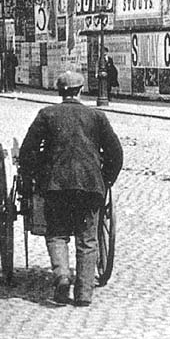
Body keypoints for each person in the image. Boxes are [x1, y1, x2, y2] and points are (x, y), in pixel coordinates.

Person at [19, 71, 123, 306]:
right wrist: (105, 181)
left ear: (60, 92)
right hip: (90, 187)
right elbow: (115, 153)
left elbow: (28, 152)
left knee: (56, 233)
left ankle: (63, 278)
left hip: (56, 187)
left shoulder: (47, 114)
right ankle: (84, 293)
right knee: (88, 240)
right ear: (81, 90)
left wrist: (36, 178)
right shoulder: (97, 116)